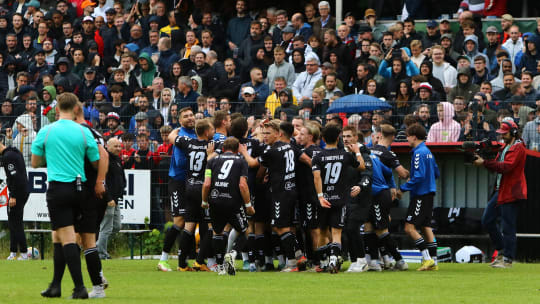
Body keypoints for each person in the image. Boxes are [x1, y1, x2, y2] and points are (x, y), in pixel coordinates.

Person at [31, 93, 100, 299]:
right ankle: (55, 285)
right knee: (57, 235)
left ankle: (79, 288)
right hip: (79, 188)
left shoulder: (47, 131)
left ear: (57, 108)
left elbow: (35, 163)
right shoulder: (83, 131)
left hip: (58, 188)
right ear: (76, 108)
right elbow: (95, 161)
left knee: (67, 236)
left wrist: (51, 157)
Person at [312, 124, 365, 273]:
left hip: (324, 200)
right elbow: (361, 167)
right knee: (336, 233)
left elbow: (317, 178)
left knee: (322, 232)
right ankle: (334, 259)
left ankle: (323, 262)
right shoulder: (345, 155)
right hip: (340, 199)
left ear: (322, 139)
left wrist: (321, 197)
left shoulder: (318, 156)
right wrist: (357, 152)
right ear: (338, 138)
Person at [474, 120, 527, 268]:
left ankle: (508, 259)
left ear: (513, 133)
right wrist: (484, 159)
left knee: (508, 226)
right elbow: (497, 166)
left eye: (505, 133)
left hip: (511, 191)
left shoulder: (518, 148)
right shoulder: (506, 147)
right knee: (487, 220)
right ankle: (502, 251)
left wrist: (484, 162)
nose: (502, 136)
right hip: (501, 190)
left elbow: (506, 167)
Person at [202, 137, 254, 275]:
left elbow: (206, 184)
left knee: (217, 232)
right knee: (245, 229)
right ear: (238, 150)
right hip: (233, 202)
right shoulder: (241, 161)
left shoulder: (212, 161)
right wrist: (248, 204)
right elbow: (242, 185)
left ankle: (220, 267)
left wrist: (204, 201)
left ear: (223, 149)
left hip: (215, 200)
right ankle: (232, 253)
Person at [169, 118, 214, 272]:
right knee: (209, 226)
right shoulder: (211, 145)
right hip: (203, 189)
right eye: (212, 129)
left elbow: (171, 137)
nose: (213, 132)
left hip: (189, 187)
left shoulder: (188, 142)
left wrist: (178, 128)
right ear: (207, 132)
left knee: (189, 225)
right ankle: (199, 262)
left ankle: (182, 264)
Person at [157, 107, 197, 272]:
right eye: (185, 116)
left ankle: (188, 259)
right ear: (179, 121)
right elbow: (181, 163)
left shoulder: (197, 134)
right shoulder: (180, 137)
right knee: (179, 221)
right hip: (179, 181)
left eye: (191, 115)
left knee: (192, 221)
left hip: (193, 183)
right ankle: (163, 259)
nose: (190, 118)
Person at [397, 123, 440, 271]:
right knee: (426, 226)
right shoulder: (428, 152)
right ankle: (434, 261)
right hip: (429, 193)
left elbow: (419, 176)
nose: (407, 139)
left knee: (409, 228)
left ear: (414, 137)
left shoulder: (418, 152)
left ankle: (427, 259)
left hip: (420, 195)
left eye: (407, 137)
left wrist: (403, 188)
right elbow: (436, 173)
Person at [97, 137, 126, 260]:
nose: (118, 148)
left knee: (116, 226)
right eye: (116, 146)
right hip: (107, 200)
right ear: (107, 147)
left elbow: (121, 177)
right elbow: (101, 181)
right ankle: (101, 253)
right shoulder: (105, 160)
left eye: (119, 146)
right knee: (106, 227)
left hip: (116, 199)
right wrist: (108, 198)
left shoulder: (117, 160)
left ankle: (97, 245)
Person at [2, 138, 30, 260]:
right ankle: (13, 252)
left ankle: (23, 253)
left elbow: (16, 177)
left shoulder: (7, 157)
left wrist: (13, 195)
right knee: (13, 220)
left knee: (16, 222)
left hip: (17, 192)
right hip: (23, 190)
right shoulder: (14, 152)